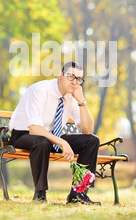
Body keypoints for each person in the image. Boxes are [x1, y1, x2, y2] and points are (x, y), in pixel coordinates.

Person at [8, 61, 101, 205]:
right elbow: (34, 129)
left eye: (79, 79)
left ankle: (78, 194)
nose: (75, 82)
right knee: (41, 141)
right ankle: (40, 194)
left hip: (50, 137)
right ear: (61, 75)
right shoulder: (39, 90)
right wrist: (62, 142)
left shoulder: (72, 97)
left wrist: (82, 101)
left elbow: (87, 130)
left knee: (92, 140)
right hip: (22, 134)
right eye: (71, 76)